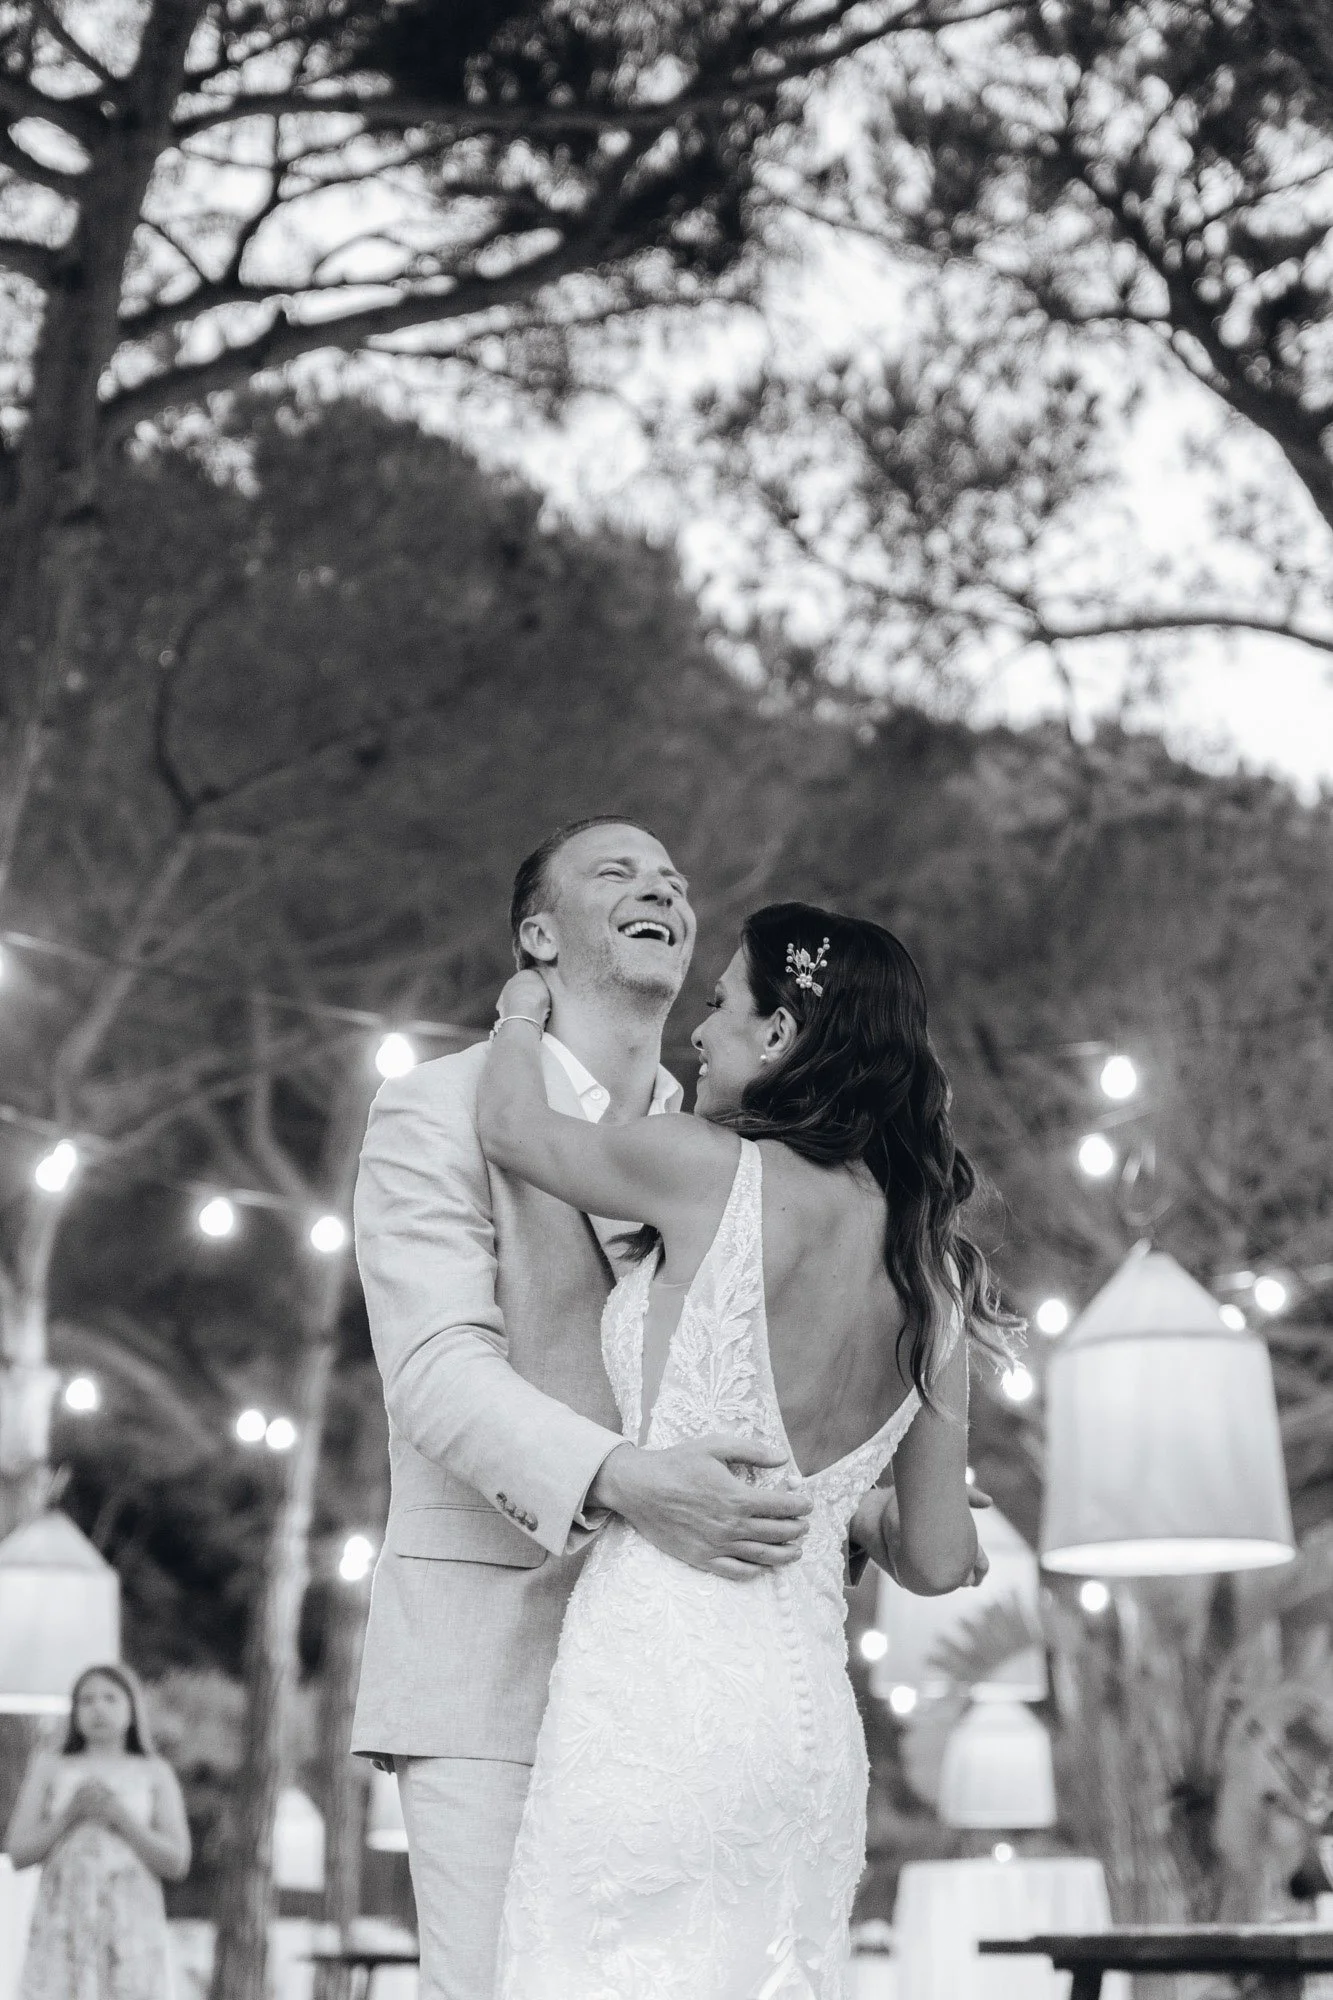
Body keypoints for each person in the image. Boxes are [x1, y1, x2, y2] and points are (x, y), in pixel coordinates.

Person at [477, 901, 1016, 1998]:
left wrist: (519, 1010)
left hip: (652, 1688)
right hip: (804, 1728)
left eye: (720, 1004)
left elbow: (515, 1135)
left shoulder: (702, 1166)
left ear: (778, 1036)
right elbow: (934, 1554)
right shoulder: (937, 1274)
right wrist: (845, 1508)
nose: (698, 1033)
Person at [350, 819, 819, 2000]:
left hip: (679, 1674)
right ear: (538, 934)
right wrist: (630, 1479)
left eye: (672, 877)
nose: (659, 884)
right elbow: (437, 1372)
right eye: (617, 870)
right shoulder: (433, 1106)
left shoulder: (730, 1145)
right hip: (486, 1661)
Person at [4, 1662, 191, 2000]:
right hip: (63, 1923)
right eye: (86, 1700)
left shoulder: (155, 1772)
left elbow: (176, 1861)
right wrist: (69, 1815)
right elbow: (18, 1852)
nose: (98, 1708)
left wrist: (120, 1817)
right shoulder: (49, 1766)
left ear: (132, 1709)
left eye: (110, 1698)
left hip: (131, 1924)